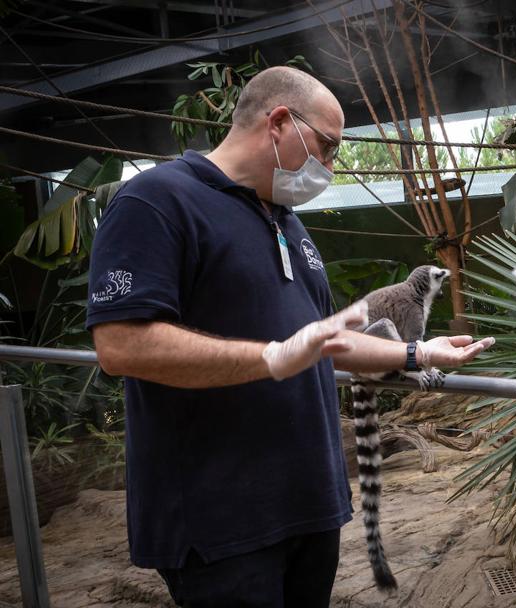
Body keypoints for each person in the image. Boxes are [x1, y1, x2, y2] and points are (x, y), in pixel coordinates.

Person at [85, 66, 494, 607]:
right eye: (326, 147)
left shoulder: (284, 219)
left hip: (308, 504)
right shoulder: (156, 201)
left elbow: (323, 342)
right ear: (279, 122)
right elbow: (121, 346)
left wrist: (416, 352)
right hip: (222, 520)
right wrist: (276, 356)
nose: (328, 166)